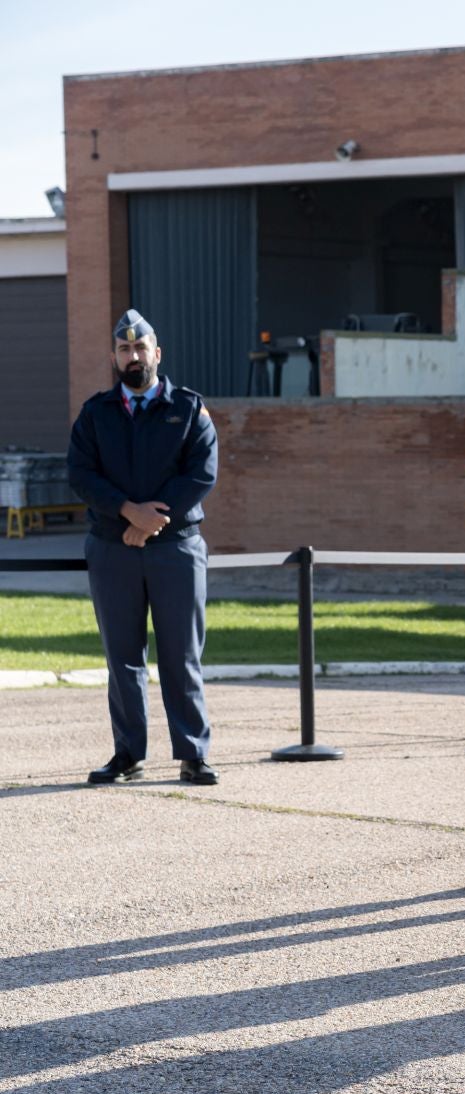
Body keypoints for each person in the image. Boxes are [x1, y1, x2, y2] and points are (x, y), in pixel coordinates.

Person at [66, 309, 219, 786]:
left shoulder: (189, 409)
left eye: (140, 348)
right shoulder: (96, 414)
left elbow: (201, 471)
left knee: (181, 653)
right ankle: (128, 754)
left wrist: (152, 521)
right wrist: (128, 513)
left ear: (158, 353)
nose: (133, 356)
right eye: (124, 349)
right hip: (114, 548)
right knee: (123, 656)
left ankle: (193, 754)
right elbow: (82, 475)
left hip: (175, 547)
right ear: (114, 357)